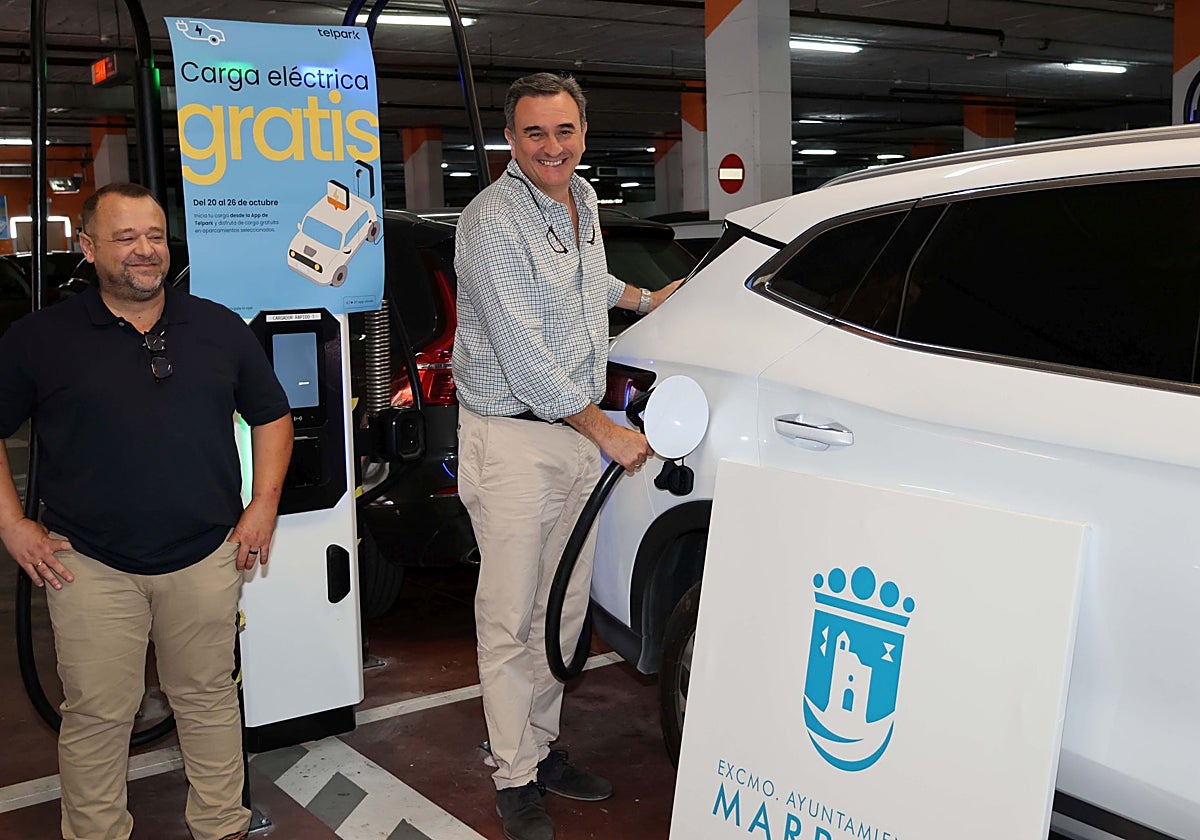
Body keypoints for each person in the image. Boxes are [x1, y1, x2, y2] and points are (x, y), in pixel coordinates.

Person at [0, 182, 293, 840]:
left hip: (205, 556)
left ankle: (221, 827)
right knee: (98, 716)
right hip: (89, 565)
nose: (144, 250)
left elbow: (273, 416)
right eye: (126, 237)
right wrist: (12, 524)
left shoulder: (216, 326)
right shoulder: (41, 339)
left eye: (155, 236)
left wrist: (262, 506)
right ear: (87, 247)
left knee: (208, 700)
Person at [452, 73, 681, 840]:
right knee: (511, 617)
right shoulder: (492, 220)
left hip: (574, 434)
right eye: (534, 133)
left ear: (583, 132)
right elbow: (522, 352)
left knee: (562, 611)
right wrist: (603, 430)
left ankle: (541, 748)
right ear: (510, 140)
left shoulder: (581, 197)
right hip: (516, 438)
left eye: (564, 130)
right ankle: (513, 776)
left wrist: (646, 300)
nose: (552, 147)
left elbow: (585, 285)